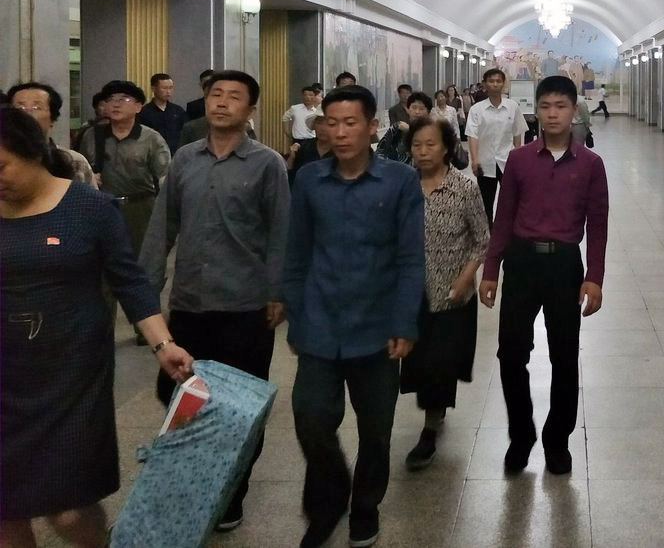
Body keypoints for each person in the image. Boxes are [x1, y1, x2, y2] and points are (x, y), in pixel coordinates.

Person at [0, 107, 193, 548]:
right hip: (7, 373)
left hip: (72, 372)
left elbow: (130, 281)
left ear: (32, 152)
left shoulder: (90, 208)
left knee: (68, 510)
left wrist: (163, 344)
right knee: (6, 511)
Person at [140, 70, 290, 532]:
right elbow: (163, 224)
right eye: (215, 95)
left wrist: (276, 291)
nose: (221, 103)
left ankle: (232, 493)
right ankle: (189, 482)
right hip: (189, 303)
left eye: (234, 97)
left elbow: (282, 231)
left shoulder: (267, 164)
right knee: (178, 395)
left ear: (250, 110)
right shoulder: (185, 158)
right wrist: (145, 289)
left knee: (240, 405)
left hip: (245, 306)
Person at [284, 85, 425, 548]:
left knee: (376, 430)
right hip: (320, 326)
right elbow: (297, 253)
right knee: (311, 418)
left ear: (371, 128)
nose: (339, 133)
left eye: (350, 123)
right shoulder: (308, 180)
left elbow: (410, 259)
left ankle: (365, 506)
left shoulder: (400, 182)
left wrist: (405, 323)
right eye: (331, 122)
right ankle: (327, 503)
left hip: (378, 329)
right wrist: (297, 318)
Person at [479, 75, 609, 476]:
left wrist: (595, 277)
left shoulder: (590, 164)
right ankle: (522, 435)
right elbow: (502, 219)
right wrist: (491, 269)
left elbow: (598, 224)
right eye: (546, 106)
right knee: (511, 354)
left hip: (564, 267)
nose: (553, 114)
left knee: (564, 356)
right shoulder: (518, 161)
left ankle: (558, 440)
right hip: (521, 263)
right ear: (536, 111)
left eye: (562, 106)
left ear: (574, 111)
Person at [400, 116, 489, 472]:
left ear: (448, 148)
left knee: (439, 364)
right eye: (417, 145)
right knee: (418, 362)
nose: (422, 151)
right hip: (411, 293)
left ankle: (430, 427)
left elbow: (482, 238)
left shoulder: (464, 189)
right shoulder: (403, 187)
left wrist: (466, 279)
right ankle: (432, 411)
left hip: (452, 294)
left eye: (430, 144)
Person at [77, 80, 171, 259]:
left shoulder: (151, 139)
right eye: (111, 99)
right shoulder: (92, 136)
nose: (116, 103)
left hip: (140, 209)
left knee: (141, 260)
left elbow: (165, 177)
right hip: (102, 207)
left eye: (124, 99)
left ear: (138, 107)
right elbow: (80, 170)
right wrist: (90, 177)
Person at [464, 68, 527, 227]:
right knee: (486, 200)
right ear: (485, 84)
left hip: (508, 161)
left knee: (510, 199)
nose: (495, 84)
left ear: (503, 84)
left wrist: (519, 156)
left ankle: (509, 231)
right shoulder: (477, 109)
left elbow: (517, 133)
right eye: (491, 81)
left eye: (498, 81)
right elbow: (473, 135)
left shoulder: (512, 106)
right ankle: (488, 234)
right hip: (485, 162)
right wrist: (475, 159)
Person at [6, 81, 96, 185]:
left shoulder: (74, 162)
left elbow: (92, 200)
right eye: (20, 108)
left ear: (52, 119)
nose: (27, 113)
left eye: (36, 108)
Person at [137, 72, 188, 155]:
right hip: (153, 155)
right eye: (164, 88)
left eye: (170, 88)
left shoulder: (178, 111)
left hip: (176, 154)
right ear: (153, 88)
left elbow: (185, 132)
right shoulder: (144, 112)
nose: (168, 91)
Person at [377, 91, 432, 165]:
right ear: (408, 110)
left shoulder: (434, 134)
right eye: (414, 107)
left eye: (421, 109)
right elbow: (380, 151)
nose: (417, 112)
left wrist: (410, 131)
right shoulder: (398, 127)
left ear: (428, 112)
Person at [289, 112, 333, 184]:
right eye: (319, 123)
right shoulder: (303, 147)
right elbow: (292, 177)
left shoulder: (341, 151)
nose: (323, 128)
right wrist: (291, 158)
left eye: (329, 123)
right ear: (314, 125)